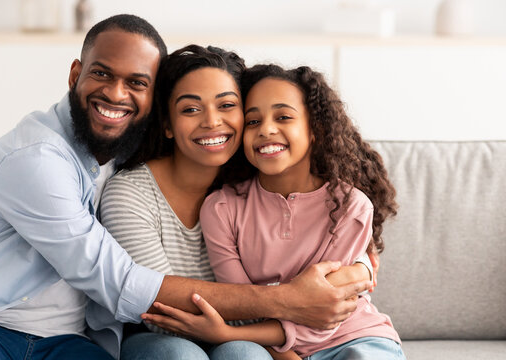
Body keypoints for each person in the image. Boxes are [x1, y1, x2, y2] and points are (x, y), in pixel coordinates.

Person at [0, 15, 371, 360]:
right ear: (76, 74)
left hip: (61, 342)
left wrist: (363, 264)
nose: (116, 94)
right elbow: (122, 286)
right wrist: (288, 301)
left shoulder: (143, 157)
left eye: (136, 82)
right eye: (101, 75)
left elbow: (336, 201)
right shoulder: (38, 160)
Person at [100, 46, 375, 360]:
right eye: (190, 110)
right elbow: (160, 311)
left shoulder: (256, 180)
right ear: (167, 125)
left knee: (244, 354)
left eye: (227, 105)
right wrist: (292, 298)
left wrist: (361, 266)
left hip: (250, 338)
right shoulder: (129, 195)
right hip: (159, 337)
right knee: (179, 354)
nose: (212, 122)